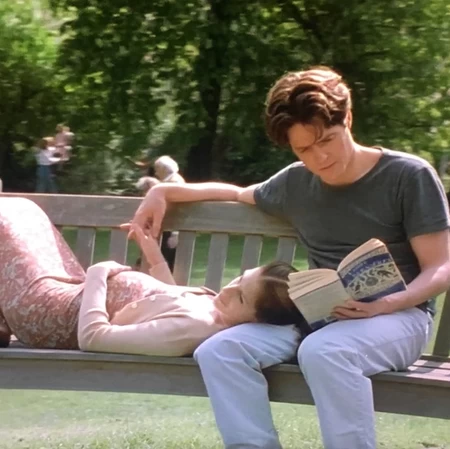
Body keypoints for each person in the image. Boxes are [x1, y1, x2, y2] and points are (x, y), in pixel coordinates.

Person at [130, 66, 450, 449]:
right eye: (303, 149)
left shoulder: (408, 176)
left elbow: (441, 266)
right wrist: (162, 192)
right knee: (220, 350)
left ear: (347, 119)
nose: (320, 157)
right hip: (322, 316)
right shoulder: (296, 182)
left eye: (327, 140)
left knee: (324, 351)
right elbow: (235, 193)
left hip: (400, 317)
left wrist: (387, 304)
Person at [0, 197, 305, 355]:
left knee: (6, 214)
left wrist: (99, 272)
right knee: (24, 209)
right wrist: (153, 254)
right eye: (239, 279)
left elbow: (93, 338)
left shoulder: (193, 330)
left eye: (240, 297)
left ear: (256, 322)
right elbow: (170, 298)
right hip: (67, 294)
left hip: (48, 314)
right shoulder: (216, 313)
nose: (227, 289)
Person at [153, 155, 186, 271]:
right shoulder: (173, 180)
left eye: (157, 169)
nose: (156, 173)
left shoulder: (174, 182)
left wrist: (175, 234)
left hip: (171, 230)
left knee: (166, 263)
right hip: (168, 229)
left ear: (164, 169)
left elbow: (179, 210)